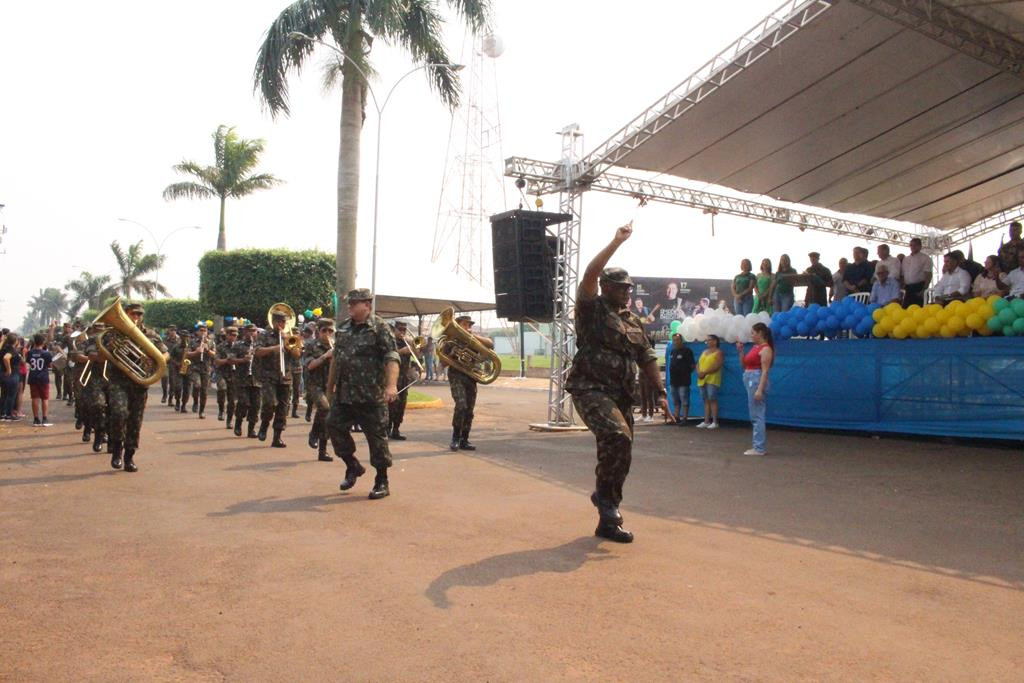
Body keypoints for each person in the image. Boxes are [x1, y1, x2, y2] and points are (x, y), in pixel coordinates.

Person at [566, 222, 670, 544]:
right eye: (621, 287)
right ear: (607, 288)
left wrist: (662, 392)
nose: (627, 292)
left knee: (620, 453)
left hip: (623, 395)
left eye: (629, 288)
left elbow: (647, 355)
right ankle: (608, 503)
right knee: (617, 434)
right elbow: (589, 273)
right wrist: (616, 242)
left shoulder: (633, 320)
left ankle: (607, 515)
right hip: (591, 388)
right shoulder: (591, 310)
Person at [325, 288, 400, 499]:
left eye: (354, 303)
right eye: (349, 303)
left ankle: (381, 480)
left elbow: (392, 356)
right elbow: (336, 360)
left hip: (371, 396)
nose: (349, 306)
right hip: (345, 394)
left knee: (377, 439)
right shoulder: (343, 328)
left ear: (367, 304)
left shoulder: (379, 328)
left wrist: (391, 386)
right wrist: (329, 390)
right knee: (332, 425)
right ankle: (353, 465)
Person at [99, 303, 169, 472]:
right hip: (118, 381)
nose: (135, 317)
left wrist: (155, 359)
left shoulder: (150, 335)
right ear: (126, 314)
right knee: (118, 413)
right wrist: (111, 347)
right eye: (132, 314)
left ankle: (129, 456)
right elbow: (102, 357)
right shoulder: (114, 333)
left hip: (139, 383)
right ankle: (116, 450)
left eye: (139, 315)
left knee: (135, 421)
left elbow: (165, 353)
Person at [445, 314, 494, 450]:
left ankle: (464, 440)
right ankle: (455, 438)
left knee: (469, 410)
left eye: (469, 325)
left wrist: (474, 337)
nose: (468, 327)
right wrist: (451, 353)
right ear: (457, 325)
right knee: (461, 405)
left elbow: (490, 344)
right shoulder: (450, 341)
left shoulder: (473, 339)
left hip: (470, 376)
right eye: (465, 324)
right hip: (456, 375)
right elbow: (443, 363)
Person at [254, 312, 301, 447]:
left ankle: (277, 437)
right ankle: (264, 424)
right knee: (270, 403)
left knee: (283, 407)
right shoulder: (264, 335)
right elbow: (257, 351)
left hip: (285, 376)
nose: (282, 325)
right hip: (269, 375)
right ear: (273, 322)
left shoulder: (289, 336)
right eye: (279, 322)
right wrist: (276, 348)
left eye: (284, 322)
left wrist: (288, 341)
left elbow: (297, 355)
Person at [735, 322, 774, 456]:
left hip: (756, 380)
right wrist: (740, 351)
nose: (751, 335)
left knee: (757, 415)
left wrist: (759, 389)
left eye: (753, 333)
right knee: (755, 414)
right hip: (750, 377)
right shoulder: (755, 348)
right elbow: (744, 364)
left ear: (760, 333)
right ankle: (758, 446)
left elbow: (765, 371)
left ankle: (759, 447)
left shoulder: (766, 349)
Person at [302, 319, 335, 461]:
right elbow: (310, 365)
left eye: (330, 331)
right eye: (324, 331)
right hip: (314, 384)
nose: (327, 334)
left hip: (330, 384)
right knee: (324, 407)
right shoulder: (311, 345)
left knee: (328, 418)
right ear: (318, 331)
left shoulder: (337, 347)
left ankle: (323, 451)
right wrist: (325, 356)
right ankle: (313, 433)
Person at [79, 322, 110, 452]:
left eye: (101, 330)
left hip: (115, 378)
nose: (99, 332)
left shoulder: (114, 339)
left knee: (116, 411)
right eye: (96, 330)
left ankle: (111, 439)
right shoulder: (92, 341)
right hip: (96, 378)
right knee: (96, 406)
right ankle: (98, 434)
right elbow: (89, 355)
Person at [232, 323, 261, 438]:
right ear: (244, 332)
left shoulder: (260, 345)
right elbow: (231, 359)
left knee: (256, 405)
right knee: (243, 402)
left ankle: (251, 429)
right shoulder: (238, 345)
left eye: (253, 331)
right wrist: (243, 360)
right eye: (249, 331)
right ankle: (238, 423)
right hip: (242, 378)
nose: (251, 333)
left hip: (256, 379)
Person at [25, 325, 56, 426]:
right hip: (43, 378)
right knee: (45, 399)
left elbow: (29, 362)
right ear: (43, 343)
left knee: (35, 398)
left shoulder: (29, 353)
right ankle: (45, 418)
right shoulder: (46, 354)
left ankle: (36, 419)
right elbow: (50, 365)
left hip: (33, 377)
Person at [389, 321, 414, 440]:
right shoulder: (390, 342)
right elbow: (387, 356)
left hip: (404, 378)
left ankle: (396, 429)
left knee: (401, 405)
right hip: (393, 378)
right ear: (395, 330)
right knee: (391, 405)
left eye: (404, 330)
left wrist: (414, 348)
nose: (402, 332)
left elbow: (418, 355)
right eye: (400, 330)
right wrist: (401, 351)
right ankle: (387, 429)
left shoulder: (407, 343)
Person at [185, 324, 214, 419]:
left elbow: (214, 355)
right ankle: (195, 402)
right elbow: (187, 354)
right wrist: (196, 352)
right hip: (194, 368)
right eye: (201, 330)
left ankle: (201, 411)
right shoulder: (192, 342)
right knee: (197, 385)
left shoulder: (210, 342)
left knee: (204, 391)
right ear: (197, 332)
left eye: (205, 331)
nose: (203, 332)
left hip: (206, 369)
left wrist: (208, 350)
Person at [696, 335, 724, 429]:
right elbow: (698, 363)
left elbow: (717, 365)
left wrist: (705, 372)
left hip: (712, 379)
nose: (707, 342)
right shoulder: (704, 352)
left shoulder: (719, 352)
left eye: (709, 340)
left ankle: (715, 422)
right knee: (705, 399)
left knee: (712, 398)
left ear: (715, 341)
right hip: (702, 379)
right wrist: (699, 372)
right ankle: (706, 421)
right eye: (706, 340)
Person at [214, 326, 239, 429]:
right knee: (222, 388)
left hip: (234, 374)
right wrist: (227, 361)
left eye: (235, 335)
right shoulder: (220, 347)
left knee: (232, 400)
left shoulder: (239, 347)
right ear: (227, 335)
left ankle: (229, 420)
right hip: (222, 372)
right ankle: (221, 410)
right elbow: (217, 361)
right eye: (232, 335)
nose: (234, 337)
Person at [667, 333, 695, 425]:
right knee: (675, 400)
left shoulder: (687, 351)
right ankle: (676, 417)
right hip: (673, 380)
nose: (676, 342)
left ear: (681, 340)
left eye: (677, 340)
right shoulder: (672, 351)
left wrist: (686, 373)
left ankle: (685, 418)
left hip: (684, 381)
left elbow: (692, 365)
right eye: (674, 340)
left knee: (684, 399)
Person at [902, 237, 933, 307]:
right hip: (908, 288)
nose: (913, 247)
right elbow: (903, 274)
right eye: (911, 245)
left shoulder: (925, 258)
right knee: (906, 310)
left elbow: (928, 274)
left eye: (915, 245)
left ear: (920, 246)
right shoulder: (906, 259)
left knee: (919, 310)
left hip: (919, 287)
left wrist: (924, 289)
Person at [1, 332, 24, 421]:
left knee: (4, 394)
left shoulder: (4, 348)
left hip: (4, 375)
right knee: (11, 395)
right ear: (16, 341)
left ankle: (2, 413)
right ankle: (8, 414)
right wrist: (9, 369)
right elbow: (6, 358)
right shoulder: (11, 350)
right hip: (12, 375)